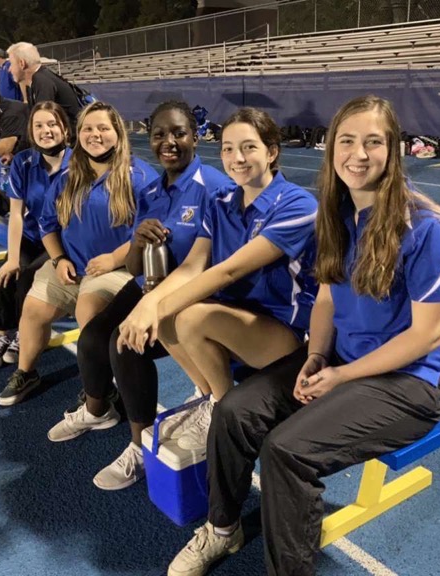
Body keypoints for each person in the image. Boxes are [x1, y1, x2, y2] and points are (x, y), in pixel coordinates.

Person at [166, 95, 440, 576]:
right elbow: (325, 299)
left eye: (373, 142)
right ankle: (222, 529)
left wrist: (341, 375)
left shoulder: (427, 227)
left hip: (409, 385)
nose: (358, 154)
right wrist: (316, 355)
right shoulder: (339, 217)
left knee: (287, 451)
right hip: (341, 360)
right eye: (347, 141)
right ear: (331, 149)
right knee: (236, 410)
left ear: (395, 149)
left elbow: (427, 337)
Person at [45, 101, 232, 491]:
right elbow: (134, 266)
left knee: (124, 344)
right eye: (160, 134)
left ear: (195, 137)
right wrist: (138, 240)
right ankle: (97, 410)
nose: (169, 142)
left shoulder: (213, 187)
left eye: (178, 133)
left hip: (193, 291)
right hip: (152, 281)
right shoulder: (151, 191)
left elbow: (207, 264)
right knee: (94, 336)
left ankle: (140, 447)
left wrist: (152, 305)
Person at [117, 107, 318, 454]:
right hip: (234, 322)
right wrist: (148, 305)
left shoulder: (297, 204)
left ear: (271, 152)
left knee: (188, 314)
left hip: (285, 335)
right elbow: (193, 266)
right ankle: (210, 397)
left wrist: (158, 306)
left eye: (248, 148)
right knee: (167, 315)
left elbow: (229, 271)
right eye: (227, 148)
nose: (236, 158)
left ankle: (226, 414)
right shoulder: (222, 201)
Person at [0, 101, 159, 406]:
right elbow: (48, 226)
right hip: (70, 264)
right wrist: (58, 260)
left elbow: (146, 233)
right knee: (32, 309)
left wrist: (113, 259)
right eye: (88, 128)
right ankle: (26, 372)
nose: (94, 135)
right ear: (78, 134)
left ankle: (100, 387)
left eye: (103, 128)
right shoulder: (69, 175)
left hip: (116, 269)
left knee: (89, 309)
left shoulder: (140, 177)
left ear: (118, 133)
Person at [0, 102, 72, 371]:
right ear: (31, 131)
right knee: (6, 274)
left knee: (29, 275)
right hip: (33, 234)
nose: (46, 131)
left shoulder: (79, 163)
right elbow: (17, 215)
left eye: (52, 124)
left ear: (64, 128)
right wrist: (11, 257)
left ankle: (25, 331)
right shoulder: (24, 161)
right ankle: (1, 336)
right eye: (39, 125)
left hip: (62, 241)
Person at [7, 42, 81, 144]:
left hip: (70, 146)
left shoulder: (42, 82)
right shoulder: (38, 79)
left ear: (22, 63)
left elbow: (42, 124)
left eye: (11, 64)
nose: (9, 69)